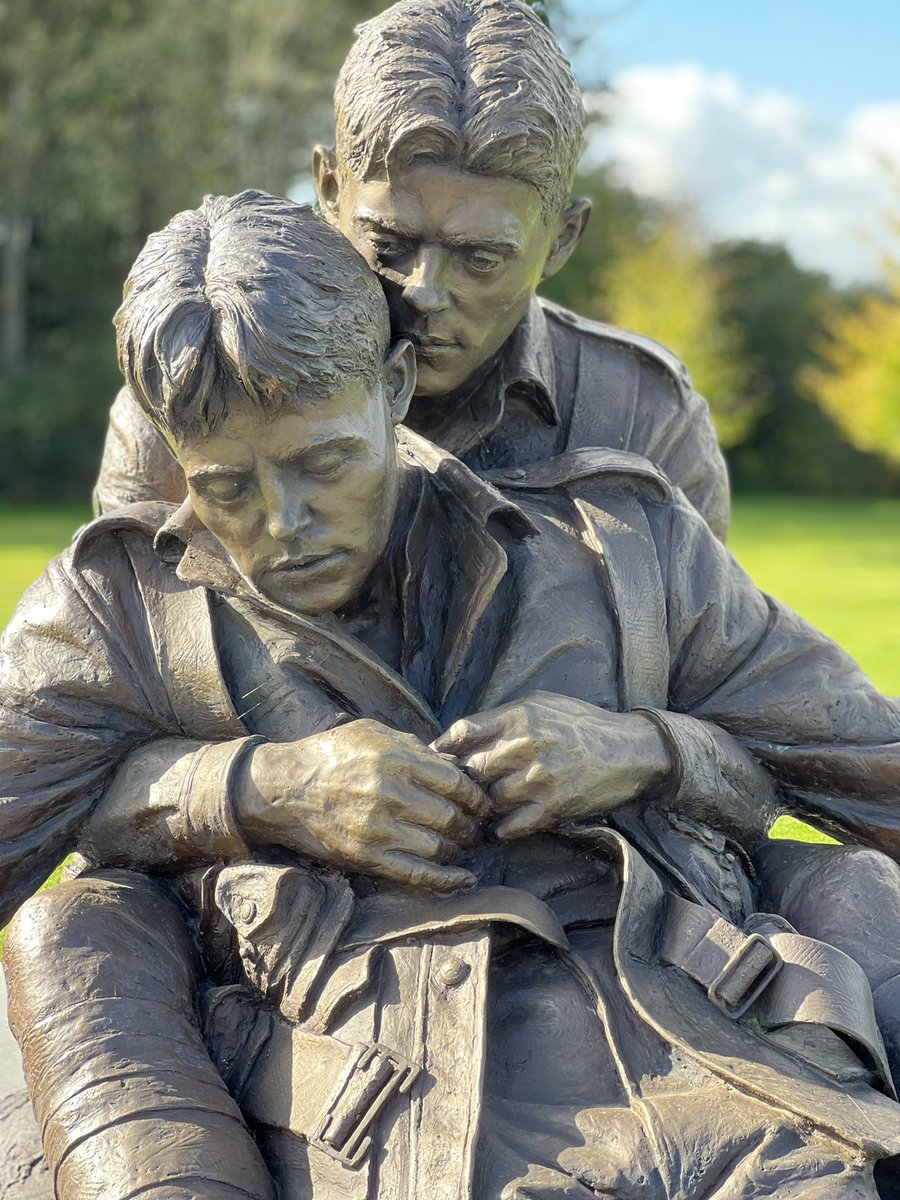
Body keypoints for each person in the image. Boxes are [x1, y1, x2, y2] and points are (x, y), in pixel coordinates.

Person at [4, 192, 900, 1199]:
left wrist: (645, 749)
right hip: (372, 1118)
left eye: (323, 463)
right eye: (228, 487)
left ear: (394, 386)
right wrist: (257, 788)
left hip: (720, 1083)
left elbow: (873, 763)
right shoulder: (119, 605)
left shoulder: (622, 545)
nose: (284, 522)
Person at [93, 0, 729, 539]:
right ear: (330, 191)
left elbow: (714, 668)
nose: (424, 290)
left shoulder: (645, 417)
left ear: (561, 240)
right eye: (390, 244)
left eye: (481, 258)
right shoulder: (189, 388)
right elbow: (127, 654)